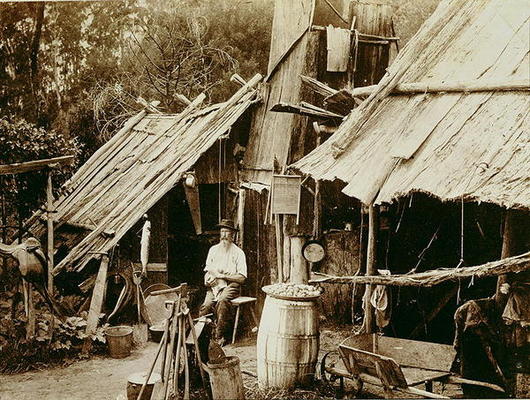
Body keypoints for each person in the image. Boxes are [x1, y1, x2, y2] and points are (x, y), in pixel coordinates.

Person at [199, 219, 247, 346]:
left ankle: (220, 336)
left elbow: (242, 278)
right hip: (214, 286)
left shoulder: (238, 253)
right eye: (222, 232)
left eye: (227, 232)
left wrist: (224, 276)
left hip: (231, 285)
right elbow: (207, 270)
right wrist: (207, 280)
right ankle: (203, 336)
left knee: (222, 301)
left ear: (233, 235)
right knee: (206, 306)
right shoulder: (213, 250)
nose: (224, 235)